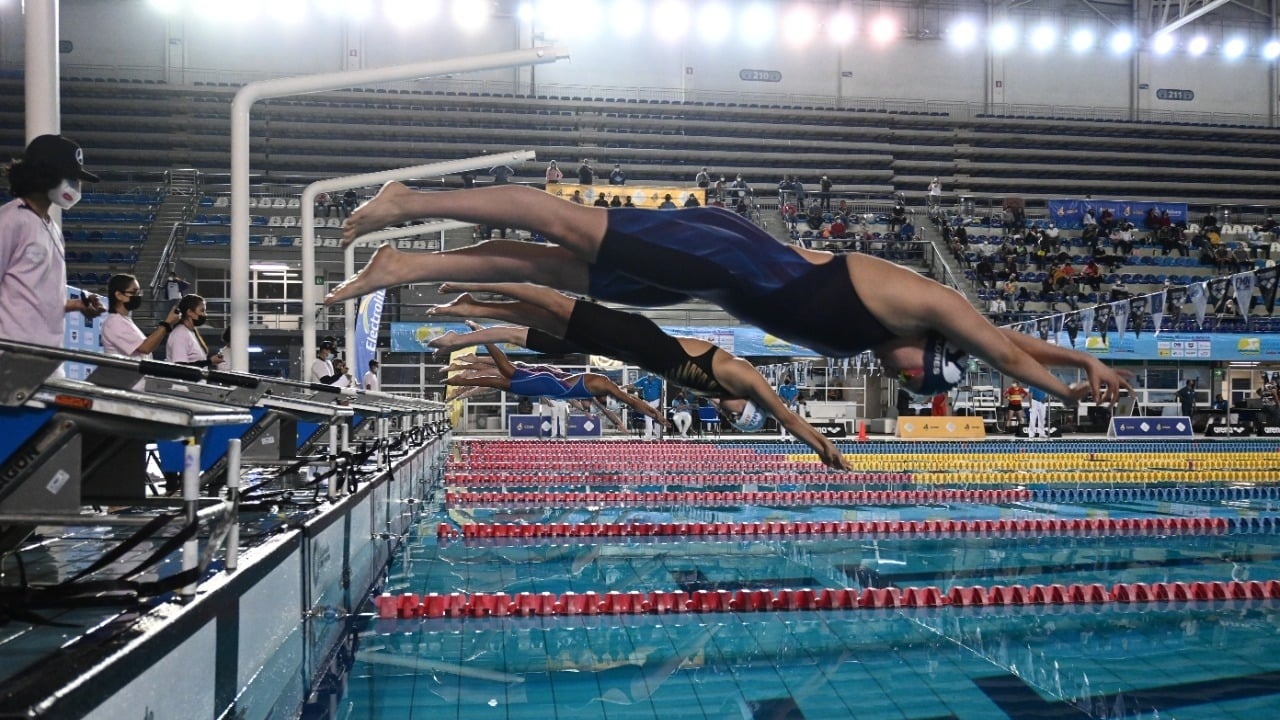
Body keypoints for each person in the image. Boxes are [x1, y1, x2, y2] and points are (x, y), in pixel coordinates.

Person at [327, 182, 1131, 407]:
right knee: (563, 227)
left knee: (551, 270)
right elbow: (1002, 349)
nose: (900, 376)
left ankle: (405, 265)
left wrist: (1083, 355)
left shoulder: (890, 334)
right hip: (719, 250)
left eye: (906, 386)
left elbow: (1007, 343)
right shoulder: (930, 303)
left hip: (704, 277)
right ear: (934, 352)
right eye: (916, 376)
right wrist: (1072, 389)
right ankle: (412, 201)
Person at [421, 281, 849, 469]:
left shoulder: (713, 393)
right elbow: (789, 418)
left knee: (548, 339)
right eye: (738, 417)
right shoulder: (743, 375)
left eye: (733, 422)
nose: (731, 417)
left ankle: (471, 311)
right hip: (635, 336)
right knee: (556, 306)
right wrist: (823, 447)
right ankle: (473, 291)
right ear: (749, 406)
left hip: (628, 348)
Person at [0, 134, 106, 347]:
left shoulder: (53, 228)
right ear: (46, 174)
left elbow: (33, 298)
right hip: (12, 354)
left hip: (49, 355)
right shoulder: (11, 220)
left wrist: (76, 305)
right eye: (71, 178)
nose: (76, 186)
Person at [443, 337, 665, 426]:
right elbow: (630, 402)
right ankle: (476, 351)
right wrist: (654, 414)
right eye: (604, 402)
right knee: (501, 375)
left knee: (501, 375)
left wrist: (655, 415)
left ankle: (464, 372)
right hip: (548, 381)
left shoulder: (592, 391)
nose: (600, 405)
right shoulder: (602, 385)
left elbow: (622, 405)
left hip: (548, 380)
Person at [101, 273, 182, 361]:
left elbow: (149, 346)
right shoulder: (115, 323)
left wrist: (167, 325)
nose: (138, 296)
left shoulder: (124, 320)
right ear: (119, 295)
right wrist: (167, 324)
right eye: (134, 292)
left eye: (139, 292)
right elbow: (145, 348)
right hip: (125, 374)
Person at [166, 293, 223, 368]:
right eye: (202, 311)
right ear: (190, 312)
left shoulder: (191, 332)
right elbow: (180, 367)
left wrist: (210, 361)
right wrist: (210, 361)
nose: (204, 314)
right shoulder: (180, 334)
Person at [633, 371, 664, 439]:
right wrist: (623, 387)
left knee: (657, 418)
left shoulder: (659, 380)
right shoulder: (644, 379)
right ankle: (649, 435)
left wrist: (661, 403)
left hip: (656, 401)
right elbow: (634, 385)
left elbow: (662, 392)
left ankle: (658, 435)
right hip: (647, 402)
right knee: (647, 417)